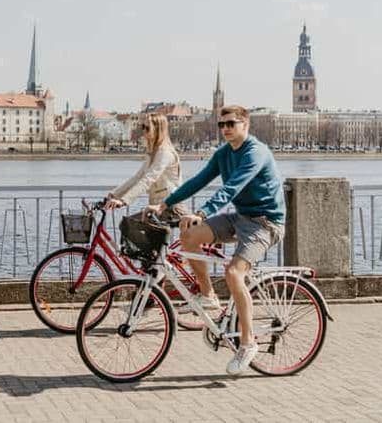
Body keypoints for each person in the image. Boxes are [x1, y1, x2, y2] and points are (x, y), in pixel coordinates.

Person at [148, 105, 285, 375]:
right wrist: (165, 204)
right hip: (241, 216)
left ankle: (247, 343)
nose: (225, 129)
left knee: (234, 273)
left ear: (245, 125)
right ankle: (208, 295)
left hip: (265, 223)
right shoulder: (223, 153)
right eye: (221, 125)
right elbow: (198, 181)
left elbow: (232, 187)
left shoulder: (255, 153)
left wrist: (201, 213)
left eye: (231, 124)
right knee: (189, 236)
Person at [104, 113, 186, 219]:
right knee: (129, 225)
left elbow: (148, 179)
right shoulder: (152, 152)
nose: (143, 131)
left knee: (129, 224)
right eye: (142, 127)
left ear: (158, 130)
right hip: (157, 207)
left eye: (147, 128)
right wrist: (114, 195)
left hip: (171, 207)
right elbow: (138, 177)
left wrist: (124, 201)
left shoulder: (165, 152)